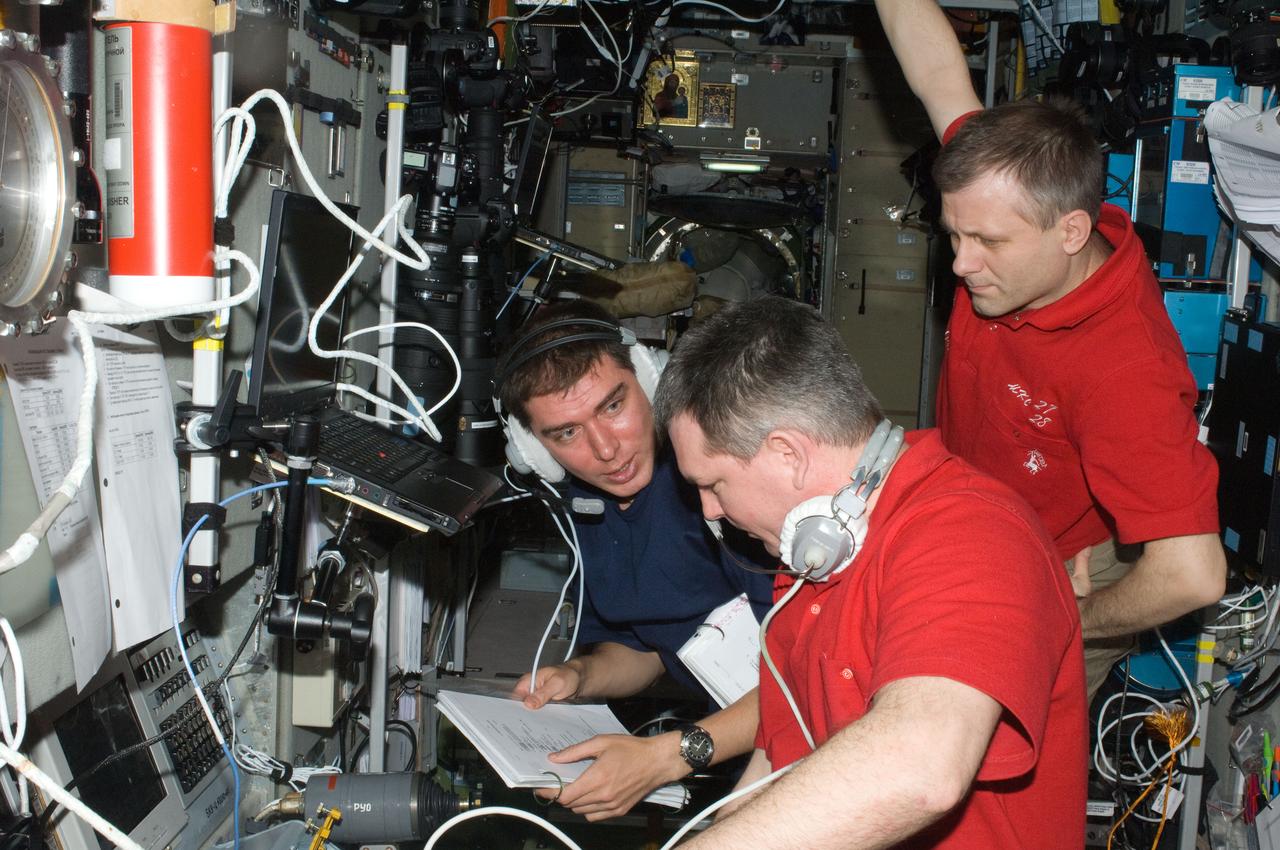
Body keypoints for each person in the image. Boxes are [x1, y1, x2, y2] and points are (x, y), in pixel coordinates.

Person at [873, 0, 1226, 696]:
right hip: (975, 515)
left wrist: (1061, 612)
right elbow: (936, 68)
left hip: (1056, 578)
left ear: (1069, 232)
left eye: (989, 244)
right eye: (954, 236)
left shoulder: (1125, 369)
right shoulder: (1005, 181)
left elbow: (1193, 573)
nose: (963, 265)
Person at [653, 296, 1086, 849]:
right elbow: (781, 759)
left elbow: (921, 767)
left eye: (713, 485)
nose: (709, 511)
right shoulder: (812, 552)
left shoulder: (973, 533)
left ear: (788, 453)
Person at [495, 300, 774, 821]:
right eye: (566, 433)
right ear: (534, 451)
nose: (604, 450)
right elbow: (646, 648)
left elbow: (804, 675)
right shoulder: (583, 508)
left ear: (650, 378)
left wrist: (668, 756)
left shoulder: (725, 481)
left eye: (612, 406)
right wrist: (580, 675)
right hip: (736, 739)